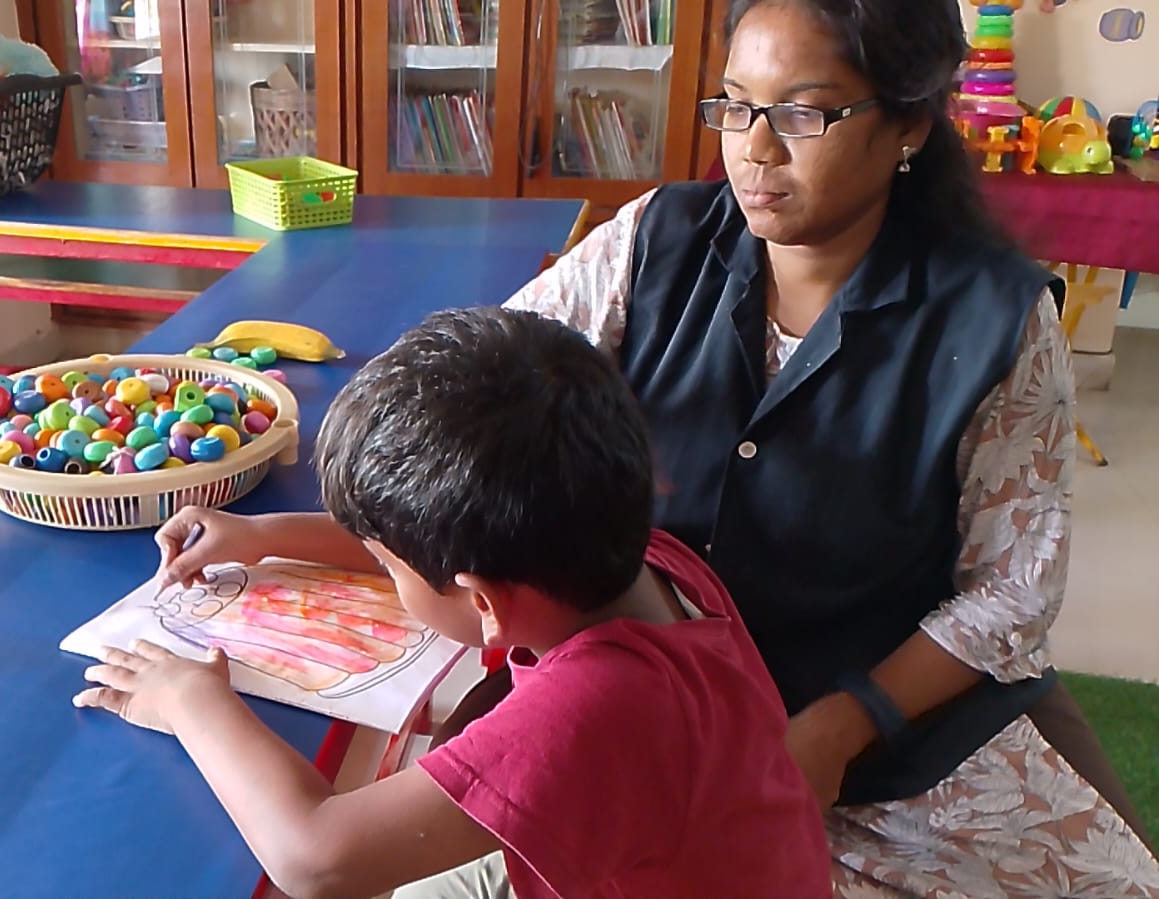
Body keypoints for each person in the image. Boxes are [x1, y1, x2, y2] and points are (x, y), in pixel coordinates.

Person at [462, 0, 1159, 895]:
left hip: (884, 737)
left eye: (802, 113)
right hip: (645, 697)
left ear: (908, 125)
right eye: (734, 105)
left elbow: (1012, 589)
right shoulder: (653, 242)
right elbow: (489, 381)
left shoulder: (992, 317)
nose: (753, 148)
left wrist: (842, 724)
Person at [74, 308, 832, 898]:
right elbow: (449, 545)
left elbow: (315, 858)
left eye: (383, 563)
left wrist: (190, 699)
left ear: (482, 603)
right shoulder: (641, 553)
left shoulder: (597, 710)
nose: (378, 562)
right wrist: (265, 535)